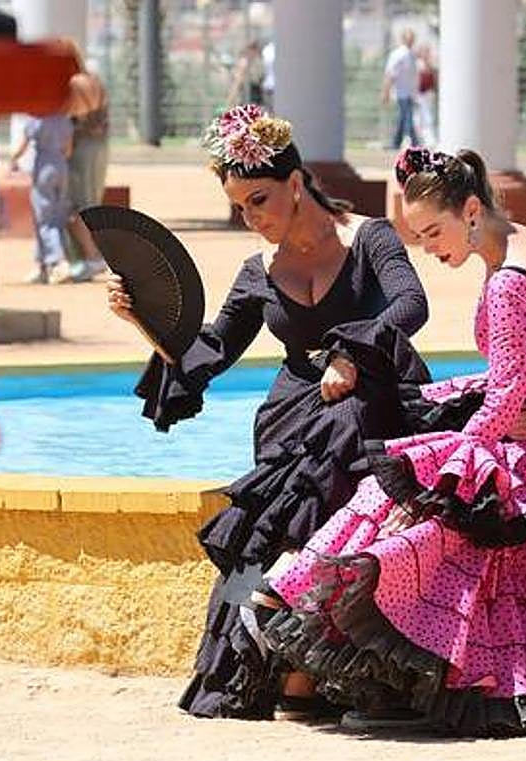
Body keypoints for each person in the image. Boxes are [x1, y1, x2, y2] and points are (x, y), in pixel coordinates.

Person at [257, 147, 526, 736]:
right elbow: (521, 375)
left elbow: (503, 399)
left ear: (471, 209)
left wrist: (445, 467)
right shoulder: (519, 241)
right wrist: (433, 401)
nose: (428, 249)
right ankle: (313, 597)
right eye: (417, 237)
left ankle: (301, 590)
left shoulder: (509, 284)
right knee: (423, 475)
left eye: (433, 232)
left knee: (421, 496)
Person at [108, 106, 455, 721]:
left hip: (379, 399)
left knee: (347, 437)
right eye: (240, 207)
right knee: (281, 506)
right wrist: (146, 321)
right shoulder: (254, 273)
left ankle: (350, 672)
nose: (252, 218)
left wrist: (351, 353)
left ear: (297, 183)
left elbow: (411, 303)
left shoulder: (368, 236)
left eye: (260, 199)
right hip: (297, 412)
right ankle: (291, 669)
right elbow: (210, 352)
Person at [10, 108, 76, 285]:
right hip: (61, 167)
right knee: (57, 216)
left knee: (44, 219)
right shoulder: (65, 119)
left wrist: (12, 160)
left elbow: (22, 147)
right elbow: (68, 150)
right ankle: (42, 266)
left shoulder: (35, 119)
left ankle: (59, 261)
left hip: (43, 168)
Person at [64, 69, 111, 281]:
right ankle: (84, 258)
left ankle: (92, 257)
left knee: (78, 206)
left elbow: (78, 112)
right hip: (98, 147)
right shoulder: (95, 81)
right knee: (89, 202)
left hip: (82, 148)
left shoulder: (79, 83)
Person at [382, 29, 419, 151]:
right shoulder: (399, 55)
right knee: (407, 117)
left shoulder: (411, 55)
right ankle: (413, 142)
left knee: (404, 117)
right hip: (401, 92)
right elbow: (390, 74)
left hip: (410, 92)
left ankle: (396, 143)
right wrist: (386, 91)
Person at [414, 44, 437, 147]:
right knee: (417, 118)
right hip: (419, 95)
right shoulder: (417, 64)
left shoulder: (430, 65)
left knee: (428, 118)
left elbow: (433, 79)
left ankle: (429, 140)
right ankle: (418, 140)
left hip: (427, 94)